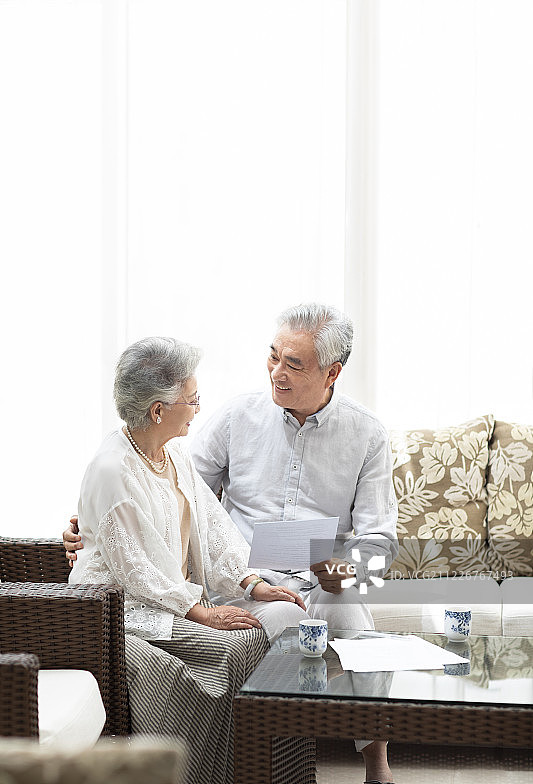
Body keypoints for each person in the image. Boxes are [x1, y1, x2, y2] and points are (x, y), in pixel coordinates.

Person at [66, 304, 399, 784]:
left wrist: (337, 567)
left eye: (294, 364)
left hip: (323, 579)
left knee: (351, 616)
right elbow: (162, 488)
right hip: (239, 581)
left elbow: (379, 541)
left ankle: (377, 767)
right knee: (283, 622)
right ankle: (272, 764)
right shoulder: (237, 416)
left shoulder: (367, 434)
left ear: (333, 373)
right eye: (273, 356)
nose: (277, 373)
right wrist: (88, 522)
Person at [68, 336, 307, 784]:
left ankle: (238, 770)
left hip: (167, 599)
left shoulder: (173, 452)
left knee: (247, 642)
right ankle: (194, 773)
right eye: (192, 400)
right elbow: (136, 570)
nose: (198, 408)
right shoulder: (112, 469)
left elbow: (214, 525)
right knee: (226, 647)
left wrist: (251, 582)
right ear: (158, 410)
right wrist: (202, 613)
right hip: (118, 608)